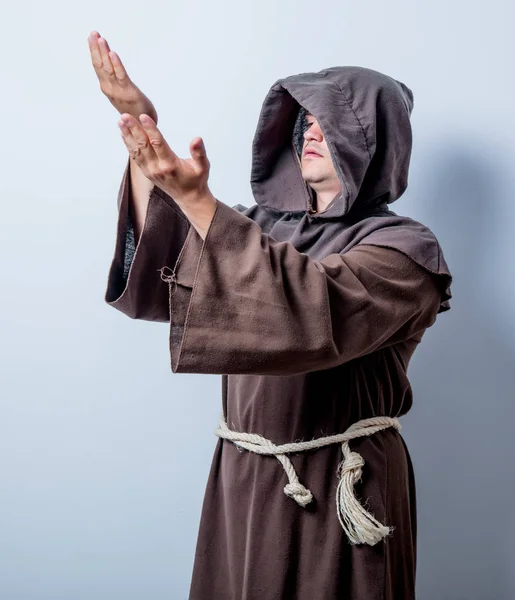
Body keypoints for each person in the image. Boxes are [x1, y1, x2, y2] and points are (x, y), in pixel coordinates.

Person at [89, 29, 453, 600]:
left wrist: (201, 203)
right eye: (303, 119)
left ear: (371, 140)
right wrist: (144, 137)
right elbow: (168, 273)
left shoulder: (405, 251)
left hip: (339, 483)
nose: (308, 130)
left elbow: (309, 312)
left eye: (328, 121)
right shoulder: (257, 226)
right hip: (245, 476)